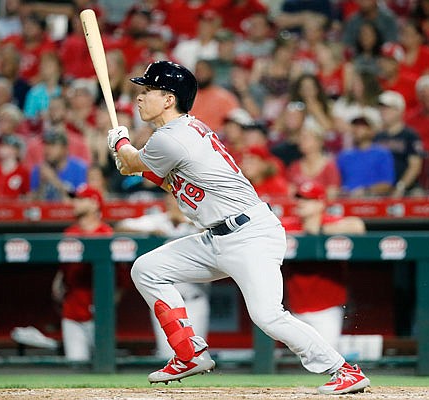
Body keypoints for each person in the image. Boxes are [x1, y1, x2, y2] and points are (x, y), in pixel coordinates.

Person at [107, 60, 370, 394]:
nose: (139, 98)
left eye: (147, 91)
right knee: (147, 269)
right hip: (215, 237)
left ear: (169, 99)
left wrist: (120, 144)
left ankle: (344, 370)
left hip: (249, 234)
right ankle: (188, 352)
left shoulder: (171, 138)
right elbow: (155, 174)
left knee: (268, 316)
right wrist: (128, 158)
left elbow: (133, 162)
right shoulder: (182, 133)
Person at [115, 193, 210, 359]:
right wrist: (152, 231)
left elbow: (213, 232)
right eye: (169, 199)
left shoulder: (199, 219)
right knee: (168, 355)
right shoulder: (159, 220)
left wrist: (185, 221)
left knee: (197, 355)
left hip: (194, 300)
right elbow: (121, 226)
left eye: (175, 198)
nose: (171, 202)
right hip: (166, 304)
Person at [282, 181, 366, 350]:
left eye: (307, 199)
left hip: (327, 309)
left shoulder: (331, 222)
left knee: (326, 358)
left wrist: (321, 229)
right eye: (299, 198)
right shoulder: (289, 224)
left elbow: (358, 226)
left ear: (321, 203)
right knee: (301, 364)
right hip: (294, 309)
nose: (301, 203)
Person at [51, 184, 113, 362]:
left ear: (94, 203)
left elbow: (121, 281)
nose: (74, 203)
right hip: (72, 312)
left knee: (105, 364)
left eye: (80, 199)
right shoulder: (69, 233)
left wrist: (108, 305)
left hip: (99, 313)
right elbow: (63, 271)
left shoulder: (106, 233)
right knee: (76, 365)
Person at [374, 90, 424, 197]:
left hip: (407, 187)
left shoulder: (410, 136)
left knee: (418, 196)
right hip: (381, 188)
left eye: (388, 108)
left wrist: (400, 187)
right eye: (381, 108)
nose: (383, 112)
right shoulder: (377, 137)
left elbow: (415, 166)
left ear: (399, 111)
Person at [337, 115, 395, 197]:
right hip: (347, 200)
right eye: (354, 126)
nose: (356, 130)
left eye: (362, 127)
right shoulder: (344, 156)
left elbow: (387, 184)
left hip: (372, 200)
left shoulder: (382, 154)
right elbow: (337, 183)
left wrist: (366, 190)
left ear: (371, 131)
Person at [30, 130, 88, 201]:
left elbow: (79, 199)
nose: (48, 149)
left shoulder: (79, 169)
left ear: (64, 149)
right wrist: (41, 185)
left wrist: (54, 180)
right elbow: (33, 204)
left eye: (53, 145)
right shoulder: (38, 170)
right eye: (46, 145)